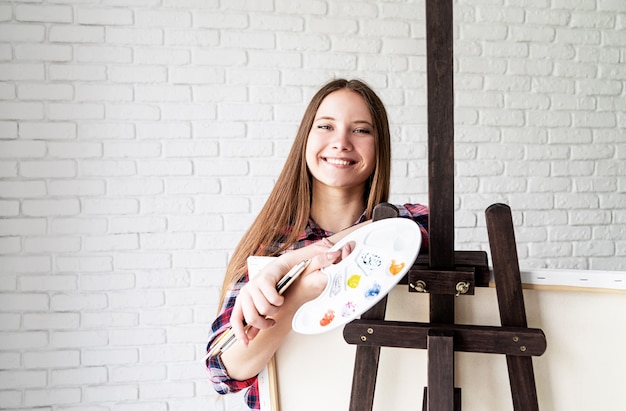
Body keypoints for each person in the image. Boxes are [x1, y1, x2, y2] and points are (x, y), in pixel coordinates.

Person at [206, 78, 429, 409]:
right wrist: (296, 292)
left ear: (379, 146)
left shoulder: (405, 225)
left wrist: (287, 266)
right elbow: (224, 372)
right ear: (305, 139)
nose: (341, 142)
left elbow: (417, 228)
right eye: (326, 126)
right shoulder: (271, 244)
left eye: (361, 130)